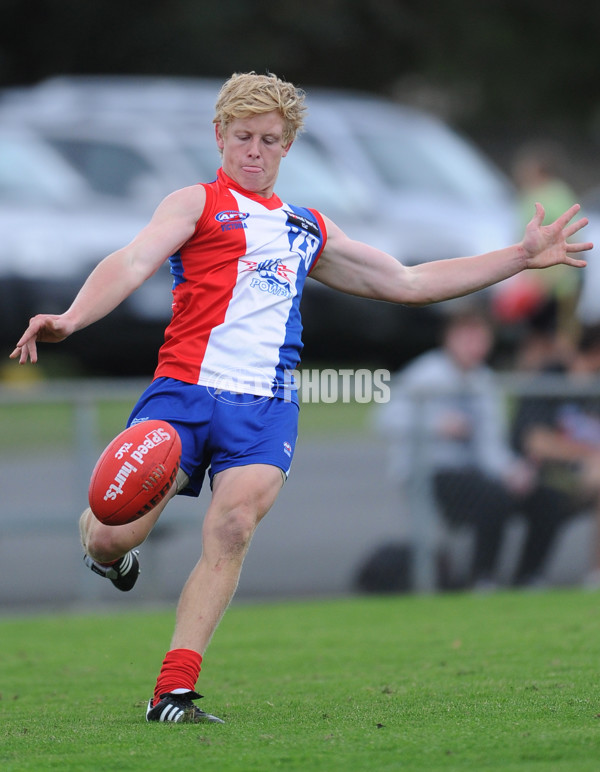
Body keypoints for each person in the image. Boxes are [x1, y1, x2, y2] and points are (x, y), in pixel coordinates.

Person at [9, 72, 592, 723]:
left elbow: (407, 280)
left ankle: (172, 691)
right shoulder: (194, 204)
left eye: (269, 140)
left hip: (265, 409)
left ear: (287, 147)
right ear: (219, 136)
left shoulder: (304, 226)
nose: (254, 151)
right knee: (111, 535)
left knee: (231, 527)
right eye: (243, 137)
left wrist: (518, 256)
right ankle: (109, 558)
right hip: (184, 394)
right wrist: (72, 317)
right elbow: (133, 259)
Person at [373, 308, 570, 590]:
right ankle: (482, 578)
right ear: (450, 339)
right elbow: (384, 418)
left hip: (476, 472)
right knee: (493, 499)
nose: (474, 346)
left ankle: (529, 579)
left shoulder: (485, 382)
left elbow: (490, 446)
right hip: (433, 473)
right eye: (467, 338)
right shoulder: (427, 372)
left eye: (480, 338)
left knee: (547, 498)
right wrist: (437, 424)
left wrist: (513, 471)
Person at [512, 324, 600, 587]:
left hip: (585, 479)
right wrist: (586, 455)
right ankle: (528, 577)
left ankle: (596, 575)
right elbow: (535, 441)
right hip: (542, 475)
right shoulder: (550, 379)